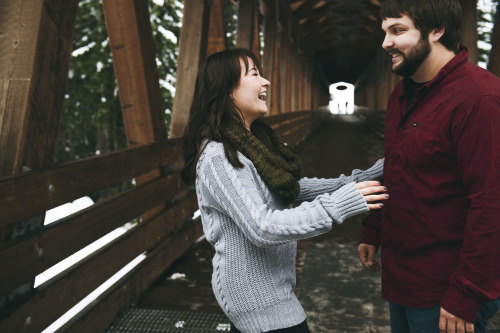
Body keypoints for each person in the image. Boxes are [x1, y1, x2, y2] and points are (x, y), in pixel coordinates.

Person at [181, 48, 387, 333]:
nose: (265, 82)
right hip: (256, 299)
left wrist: (362, 178)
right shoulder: (219, 156)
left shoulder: (251, 144)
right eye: (254, 74)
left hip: (273, 288)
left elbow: (289, 190)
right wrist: (339, 204)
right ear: (226, 90)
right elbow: (263, 227)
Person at [357, 0, 500, 332]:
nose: (385, 43)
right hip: (403, 276)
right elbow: (395, 168)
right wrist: (374, 228)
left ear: (437, 30)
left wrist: (466, 293)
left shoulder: (478, 99)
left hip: (446, 289)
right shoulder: (402, 94)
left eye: (398, 31)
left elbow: (490, 205)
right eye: (384, 32)